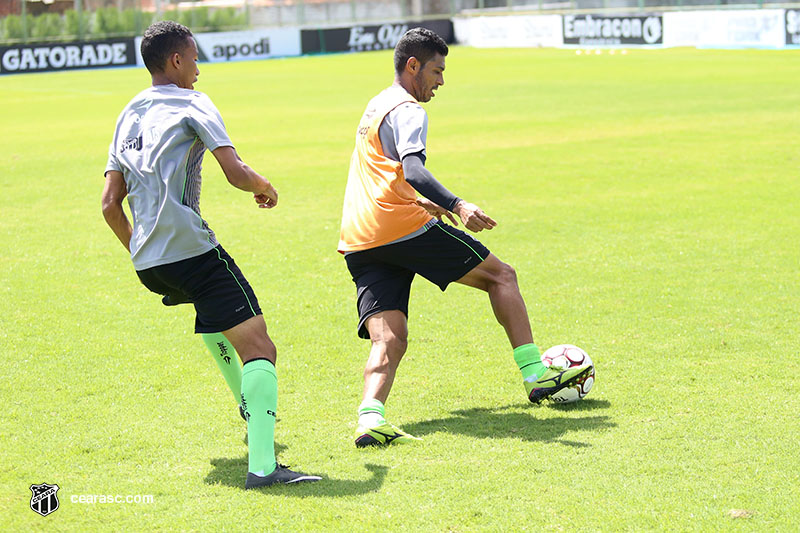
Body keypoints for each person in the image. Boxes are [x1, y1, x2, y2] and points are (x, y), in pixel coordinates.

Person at [338, 28, 592, 447]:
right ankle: (534, 374)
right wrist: (457, 205)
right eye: (437, 71)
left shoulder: (377, 103)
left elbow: (382, 171)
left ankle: (370, 416)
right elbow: (414, 170)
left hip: (361, 236)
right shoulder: (409, 111)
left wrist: (423, 203)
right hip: (400, 228)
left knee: (390, 337)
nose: (441, 81)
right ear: (413, 66)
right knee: (501, 276)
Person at [101, 21, 320, 488]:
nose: (199, 68)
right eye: (195, 58)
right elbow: (235, 171)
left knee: (213, 312)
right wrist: (265, 187)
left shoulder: (127, 113)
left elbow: (108, 204)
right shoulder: (194, 102)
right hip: (191, 251)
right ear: (176, 61)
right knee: (260, 348)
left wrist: (142, 252)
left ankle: (248, 406)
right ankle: (264, 468)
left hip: (148, 263)